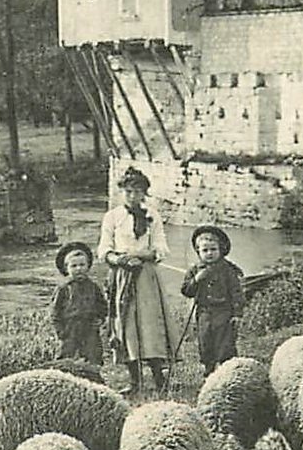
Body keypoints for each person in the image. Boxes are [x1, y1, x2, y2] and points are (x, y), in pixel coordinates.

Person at [97, 166, 177, 396]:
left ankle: (159, 378)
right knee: (126, 325)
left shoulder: (153, 216)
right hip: (122, 275)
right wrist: (119, 259)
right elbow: (104, 249)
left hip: (146, 275)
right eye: (128, 191)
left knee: (151, 324)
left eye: (138, 191)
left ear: (145, 193)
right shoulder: (112, 217)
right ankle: (135, 381)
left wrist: (143, 255)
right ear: (122, 192)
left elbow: (161, 247)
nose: (133, 196)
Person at [180, 225, 246, 377]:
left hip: (224, 312)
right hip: (204, 313)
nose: (209, 253)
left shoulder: (228, 270)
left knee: (225, 344)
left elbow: (237, 293)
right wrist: (196, 280)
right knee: (205, 342)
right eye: (205, 250)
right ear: (198, 252)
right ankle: (209, 370)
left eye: (213, 249)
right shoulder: (195, 270)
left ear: (221, 249)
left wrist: (237, 313)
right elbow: (186, 291)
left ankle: (227, 371)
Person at [49, 241, 108, 365]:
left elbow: (102, 306)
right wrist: (60, 331)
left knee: (93, 355)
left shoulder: (93, 287)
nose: (79, 269)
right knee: (67, 357)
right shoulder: (63, 288)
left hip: (89, 328)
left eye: (82, 265)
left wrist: (100, 319)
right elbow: (55, 312)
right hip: (70, 328)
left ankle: (92, 373)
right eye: (74, 266)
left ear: (88, 266)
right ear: (67, 268)